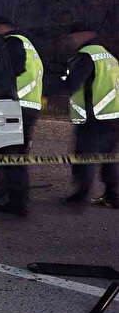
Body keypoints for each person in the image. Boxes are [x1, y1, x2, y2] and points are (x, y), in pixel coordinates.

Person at [0, 17, 44, 216]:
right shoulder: (28, 44)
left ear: (1, 27)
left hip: (16, 105)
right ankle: (10, 196)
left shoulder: (13, 42)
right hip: (28, 105)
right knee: (13, 156)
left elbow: (14, 69)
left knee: (11, 157)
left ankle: (18, 203)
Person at [62, 25, 119, 210]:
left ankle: (80, 197)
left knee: (84, 157)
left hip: (94, 119)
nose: (70, 40)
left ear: (83, 35)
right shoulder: (108, 56)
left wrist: (52, 86)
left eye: (72, 36)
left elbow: (73, 84)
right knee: (110, 159)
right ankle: (113, 196)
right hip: (113, 116)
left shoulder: (86, 56)